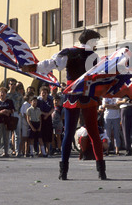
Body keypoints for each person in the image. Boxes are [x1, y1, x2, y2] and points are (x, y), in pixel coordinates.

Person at [22, 29, 107, 180]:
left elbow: (52, 64)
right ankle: (101, 172)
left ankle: (64, 172)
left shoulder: (70, 52)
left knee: (68, 133)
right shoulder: (93, 56)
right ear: (90, 41)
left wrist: (34, 67)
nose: (96, 45)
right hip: (87, 95)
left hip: (73, 95)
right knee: (93, 132)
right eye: (95, 42)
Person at [0, 87, 14, 158]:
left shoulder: (9, 101)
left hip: (7, 121)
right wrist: (1, 112)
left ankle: (6, 152)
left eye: (4, 92)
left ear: (6, 94)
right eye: (1, 92)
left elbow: (12, 110)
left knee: (6, 137)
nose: (2, 94)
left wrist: (7, 111)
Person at [38, 86, 54, 156]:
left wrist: (47, 114)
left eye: (45, 93)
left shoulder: (50, 100)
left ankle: (48, 151)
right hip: (40, 118)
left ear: (47, 93)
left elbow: (53, 108)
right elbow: (38, 110)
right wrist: (44, 114)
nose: (44, 94)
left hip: (48, 118)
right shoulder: (39, 101)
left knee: (48, 135)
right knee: (40, 135)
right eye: (42, 93)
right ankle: (40, 151)